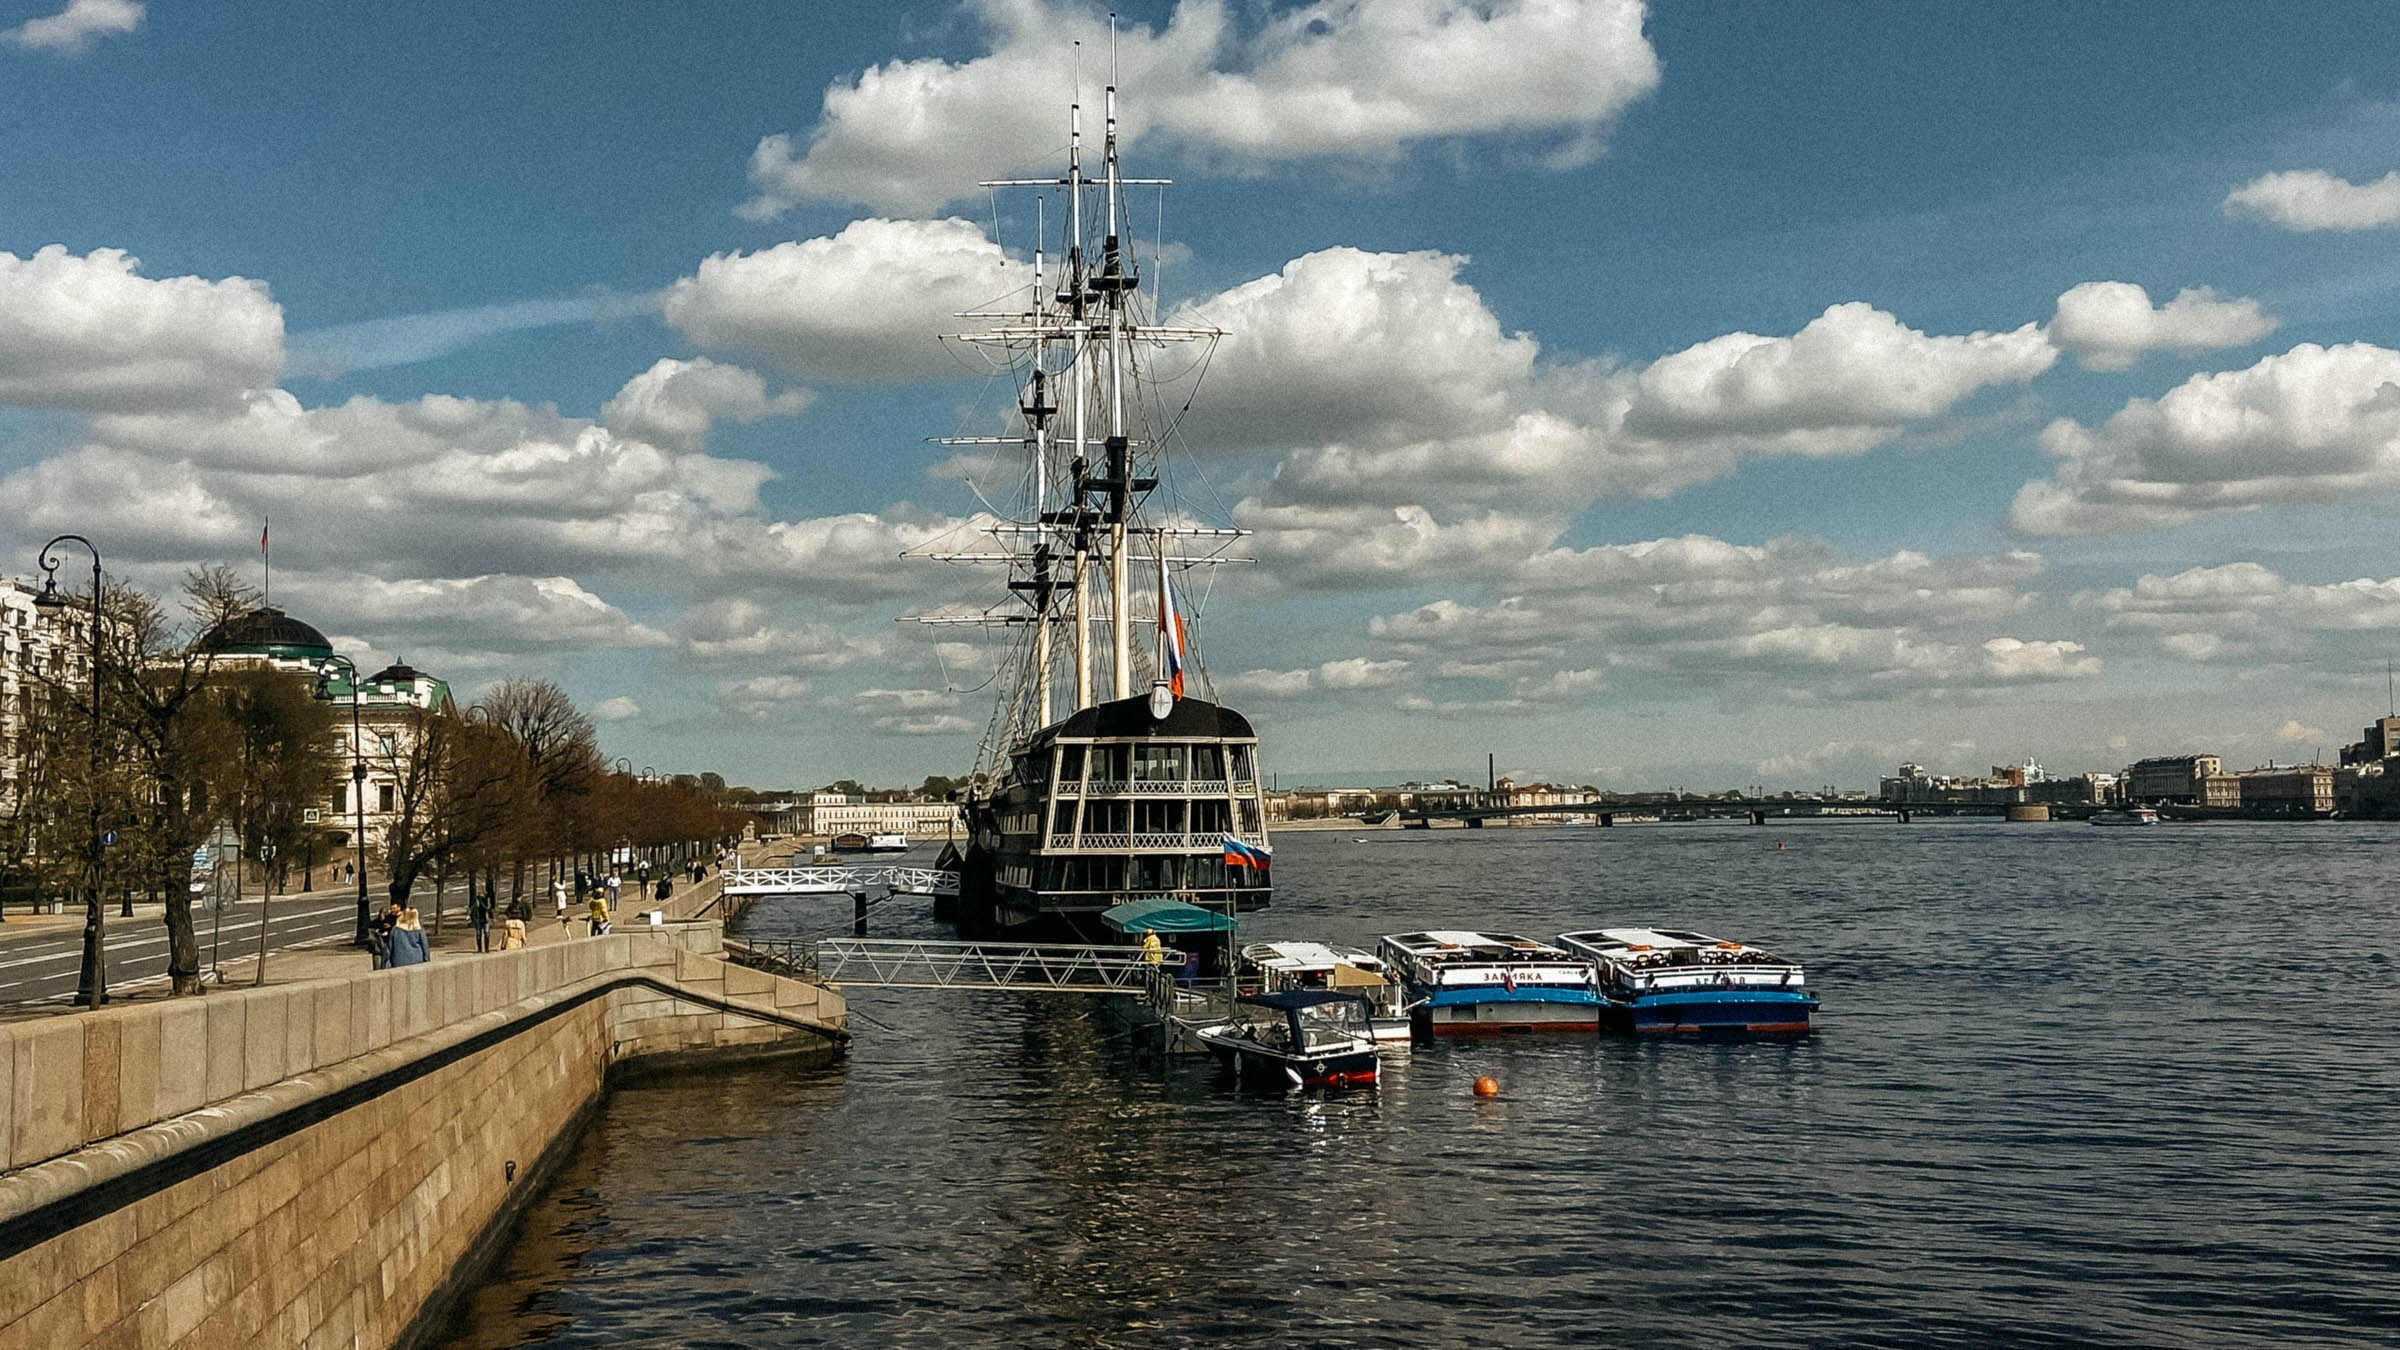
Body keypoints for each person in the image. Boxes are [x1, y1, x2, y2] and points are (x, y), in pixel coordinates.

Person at [369, 898, 403, 968]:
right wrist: (381, 919)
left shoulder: (402, 917)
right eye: (391, 908)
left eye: (394, 908)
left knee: (386, 956)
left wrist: (390, 927)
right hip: (384, 940)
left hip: (393, 941)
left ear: (399, 908)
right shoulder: (389, 916)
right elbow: (375, 924)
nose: (392, 910)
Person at [468, 884, 494, 953]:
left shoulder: (486, 900)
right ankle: (479, 949)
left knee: (486, 933)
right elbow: (472, 908)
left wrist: (482, 903)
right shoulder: (476, 901)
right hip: (478, 919)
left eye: (481, 894)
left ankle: (486, 948)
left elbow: (487, 908)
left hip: (485, 919)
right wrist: (470, 916)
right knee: (478, 934)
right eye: (479, 894)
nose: (480, 895)